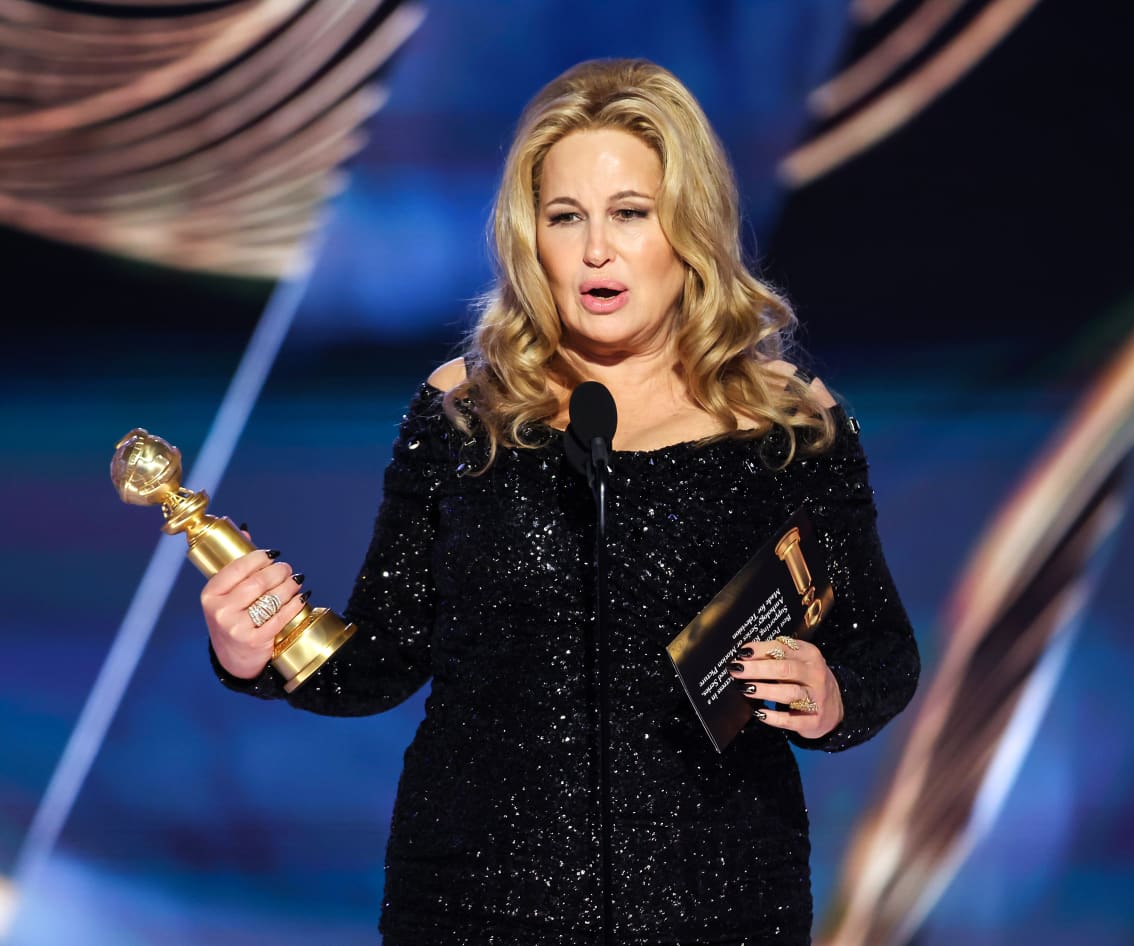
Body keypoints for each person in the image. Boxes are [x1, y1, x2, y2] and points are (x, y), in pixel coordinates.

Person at [201, 58, 919, 946]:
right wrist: (257, 652)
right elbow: (379, 659)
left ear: (688, 227)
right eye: (565, 216)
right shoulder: (467, 412)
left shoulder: (787, 424)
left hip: (720, 901)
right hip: (477, 904)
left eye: (630, 214)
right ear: (528, 235)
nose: (595, 251)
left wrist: (832, 693)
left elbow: (882, 650)